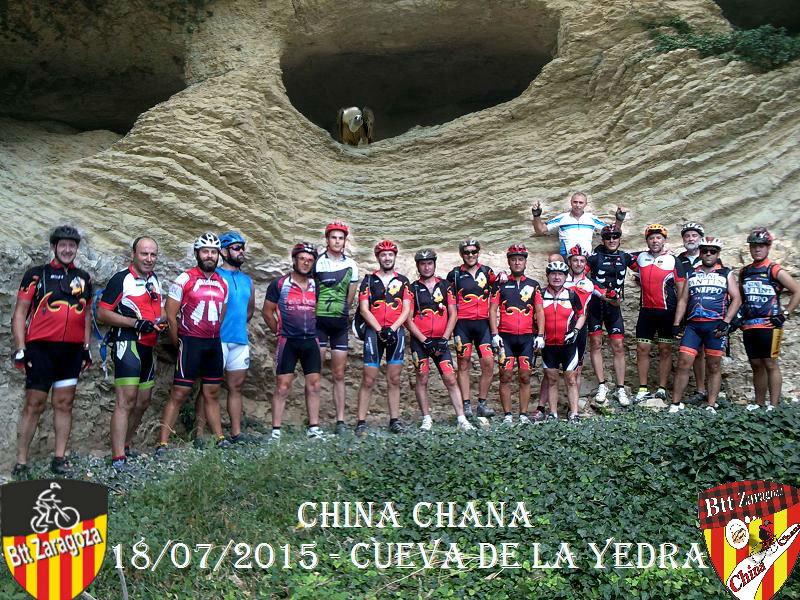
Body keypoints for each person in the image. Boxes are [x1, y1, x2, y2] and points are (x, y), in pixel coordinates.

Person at [12, 225, 93, 476]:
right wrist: (20, 349)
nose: (68, 250)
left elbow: (87, 314)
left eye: (72, 245)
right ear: (54, 247)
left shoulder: (84, 278)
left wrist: (86, 347)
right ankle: (21, 461)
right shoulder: (36, 275)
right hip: (41, 349)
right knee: (34, 404)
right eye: (63, 245)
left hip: (71, 351)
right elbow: (20, 313)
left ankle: (59, 458)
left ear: (76, 249)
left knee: (64, 404)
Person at [97, 236, 165, 471]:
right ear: (134, 254)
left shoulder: (154, 280)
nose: (149, 258)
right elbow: (102, 313)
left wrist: (162, 321)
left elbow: (158, 309)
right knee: (125, 401)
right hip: (127, 343)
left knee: (143, 402)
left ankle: (126, 445)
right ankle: (118, 458)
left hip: (148, 345)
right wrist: (135, 323)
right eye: (144, 253)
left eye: (153, 254)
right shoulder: (121, 279)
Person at [156, 233, 229, 454]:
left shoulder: (223, 282)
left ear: (218, 255)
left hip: (213, 343)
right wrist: (178, 342)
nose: (210, 256)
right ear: (197, 253)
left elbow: (221, 315)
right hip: (190, 342)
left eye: (214, 252)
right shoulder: (184, 279)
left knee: (212, 392)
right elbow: (170, 316)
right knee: (179, 392)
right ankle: (163, 443)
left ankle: (219, 437)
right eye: (205, 251)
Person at [670, 237, 741, 413]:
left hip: (715, 326)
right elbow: (683, 299)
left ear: (718, 254)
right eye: (705, 251)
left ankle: (711, 405)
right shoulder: (692, 273)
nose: (708, 254)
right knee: (683, 363)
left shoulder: (726, 273)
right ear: (700, 253)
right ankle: (675, 404)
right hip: (693, 326)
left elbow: (737, 299)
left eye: (713, 251)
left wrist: (726, 322)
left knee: (714, 365)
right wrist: (676, 323)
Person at [406, 250, 474, 432]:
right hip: (420, 342)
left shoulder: (446, 286)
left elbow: (453, 314)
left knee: (450, 378)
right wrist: (423, 339)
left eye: (429, 263)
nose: (426, 267)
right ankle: (426, 419)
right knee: (422, 378)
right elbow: (408, 319)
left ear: (434, 264)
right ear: (418, 266)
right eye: (422, 264)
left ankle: (461, 419)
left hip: (441, 341)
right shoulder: (412, 289)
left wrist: (445, 338)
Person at [263, 242, 322, 439]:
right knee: (282, 386)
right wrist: (278, 331)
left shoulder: (316, 285)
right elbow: (267, 312)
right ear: (294, 260)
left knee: (314, 385)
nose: (306, 263)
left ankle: (314, 428)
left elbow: (319, 312)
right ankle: (275, 432)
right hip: (288, 341)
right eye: (302, 259)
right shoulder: (280, 284)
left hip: (311, 340)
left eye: (310, 260)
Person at [355, 240, 412, 435]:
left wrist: (393, 329)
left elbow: (406, 309)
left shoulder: (403, 281)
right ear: (378, 257)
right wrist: (380, 329)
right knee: (368, 379)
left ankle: (394, 420)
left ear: (395, 257)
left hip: (396, 332)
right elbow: (364, 309)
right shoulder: (368, 280)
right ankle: (361, 422)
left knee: (394, 378)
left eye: (390, 254)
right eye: (383, 255)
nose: (387, 258)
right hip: (374, 332)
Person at [739, 228, 800, 411]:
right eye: (754, 246)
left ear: (768, 247)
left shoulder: (774, 269)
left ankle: (773, 406)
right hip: (750, 324)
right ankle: (759, 403)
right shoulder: (745, 271)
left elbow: (797, 290)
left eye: (762, 246)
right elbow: (741, 297)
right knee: (756, 364)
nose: (757, 249)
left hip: (770, 324)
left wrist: (785, 314)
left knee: (770, 363)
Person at [630, 224, 686, 403]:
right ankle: (643, 388)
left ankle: (662, 388)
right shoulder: (640, 258)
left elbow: (682, 292)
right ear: (647, 241)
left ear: (664, 240)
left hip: (667, 312)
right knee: (642, 349)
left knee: (665, 350)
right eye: (651, 238)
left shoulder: (673, 260)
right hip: (646, 311)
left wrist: (678, 320)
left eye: (658, 238)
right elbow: (622, 257)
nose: (655, 241)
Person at [489, 244, 544, 425]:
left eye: (520, 259)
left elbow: (539, 311)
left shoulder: (534, 285)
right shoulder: (500, 284)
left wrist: (540, 335)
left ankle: (523, 415)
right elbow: (492, 310)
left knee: (525, 376)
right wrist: (494, 334)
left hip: (527, 338)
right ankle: (507, 415)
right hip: (505, 338)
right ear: (509, 262)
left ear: (525, 262)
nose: (517, 263)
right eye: (513, 260)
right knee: (505, 375)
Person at [314, 222, 359, 434]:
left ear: (345, 241)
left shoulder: (351, 264)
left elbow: (350, 297)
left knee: (339, 373)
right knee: (314, 372)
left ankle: (340, 421)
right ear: (327, 239)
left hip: (339, 325)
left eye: (341, 238)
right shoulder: (317, 262)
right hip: (318, 323)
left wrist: (339, 311)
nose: (337, 241)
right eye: (333, 237)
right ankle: (314, 423)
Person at [446, 239, 496, 418]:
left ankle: (482, 403)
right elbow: (448, 300)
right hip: (462, 325)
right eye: (466, 252)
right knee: (463, 364)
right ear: (461, 254)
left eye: (474, 252)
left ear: (478, 253)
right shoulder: (454, 274)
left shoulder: (487, 272)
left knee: (489, 364)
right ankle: (466, 405)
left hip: (483, 324)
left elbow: (497, 292)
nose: (470, 255)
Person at [212, 231, 255, 442]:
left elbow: (249, 311)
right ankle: (202, 434)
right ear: (223, 251)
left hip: (239, 339)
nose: (241, 252)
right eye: (236, 248)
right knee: (210, 388)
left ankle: (236, 433)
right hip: (217, 339)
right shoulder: (215, 275)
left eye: (242, 248)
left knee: (236, 387)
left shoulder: (247, 280)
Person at [564, 246, 619, 404]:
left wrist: (614, 296)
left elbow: (612, 300)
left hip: (579, 329)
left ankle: (573, 408)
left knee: (577, 370)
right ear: (569, 262)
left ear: (585, 263)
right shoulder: (561, 279)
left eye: (582, 261)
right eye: (575, 260)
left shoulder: (590, 283)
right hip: (560, 327)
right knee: (552, 370)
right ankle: (546, 409)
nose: (578, 264)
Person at [586, 225, 634, 406]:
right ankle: (601, 385)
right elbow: (581, 275)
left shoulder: (625, 257)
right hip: (595, 306)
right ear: (603, 240)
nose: (612, 240)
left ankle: (620, 387)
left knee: (618, 346)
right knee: (596, 343)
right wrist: (602, 292)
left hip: (614, 307)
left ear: (620, 239)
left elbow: (646, 264)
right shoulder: (594, 257)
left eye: (615, 236)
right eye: (608, 237)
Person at [540, 261, 585, 423]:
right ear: (548, 276)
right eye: (553, 274)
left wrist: (575, 331)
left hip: (568, 345)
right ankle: (553, 413)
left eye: (560, 274)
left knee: (571, 378)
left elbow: (582, 315)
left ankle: (574, 413)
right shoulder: (540, 294)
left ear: (566, 277)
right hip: (548, 346)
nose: (557, 277)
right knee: (552, 379)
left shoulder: (572, 295)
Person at [531, 192, 627, 257]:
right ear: (571, 203)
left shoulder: (591, 218)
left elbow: (612, 232)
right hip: (567, 257)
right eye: (575, 202)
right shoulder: (562, 218)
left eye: (581, 203)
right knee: (554, 258)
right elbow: (540, 230)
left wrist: (619, 219)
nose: (577, 205)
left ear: (585, 204)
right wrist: (536, 215)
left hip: (586, 258)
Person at [677, 222, 710, 405]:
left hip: (706, 311)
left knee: (706, 353)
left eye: (694, 235)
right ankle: (697, 390)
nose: (690, 239)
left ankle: (704, 389)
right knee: (690, 352)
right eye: (687, 236)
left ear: (700, 238)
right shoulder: (678, 259)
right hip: (685, 311)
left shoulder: (709, 256)